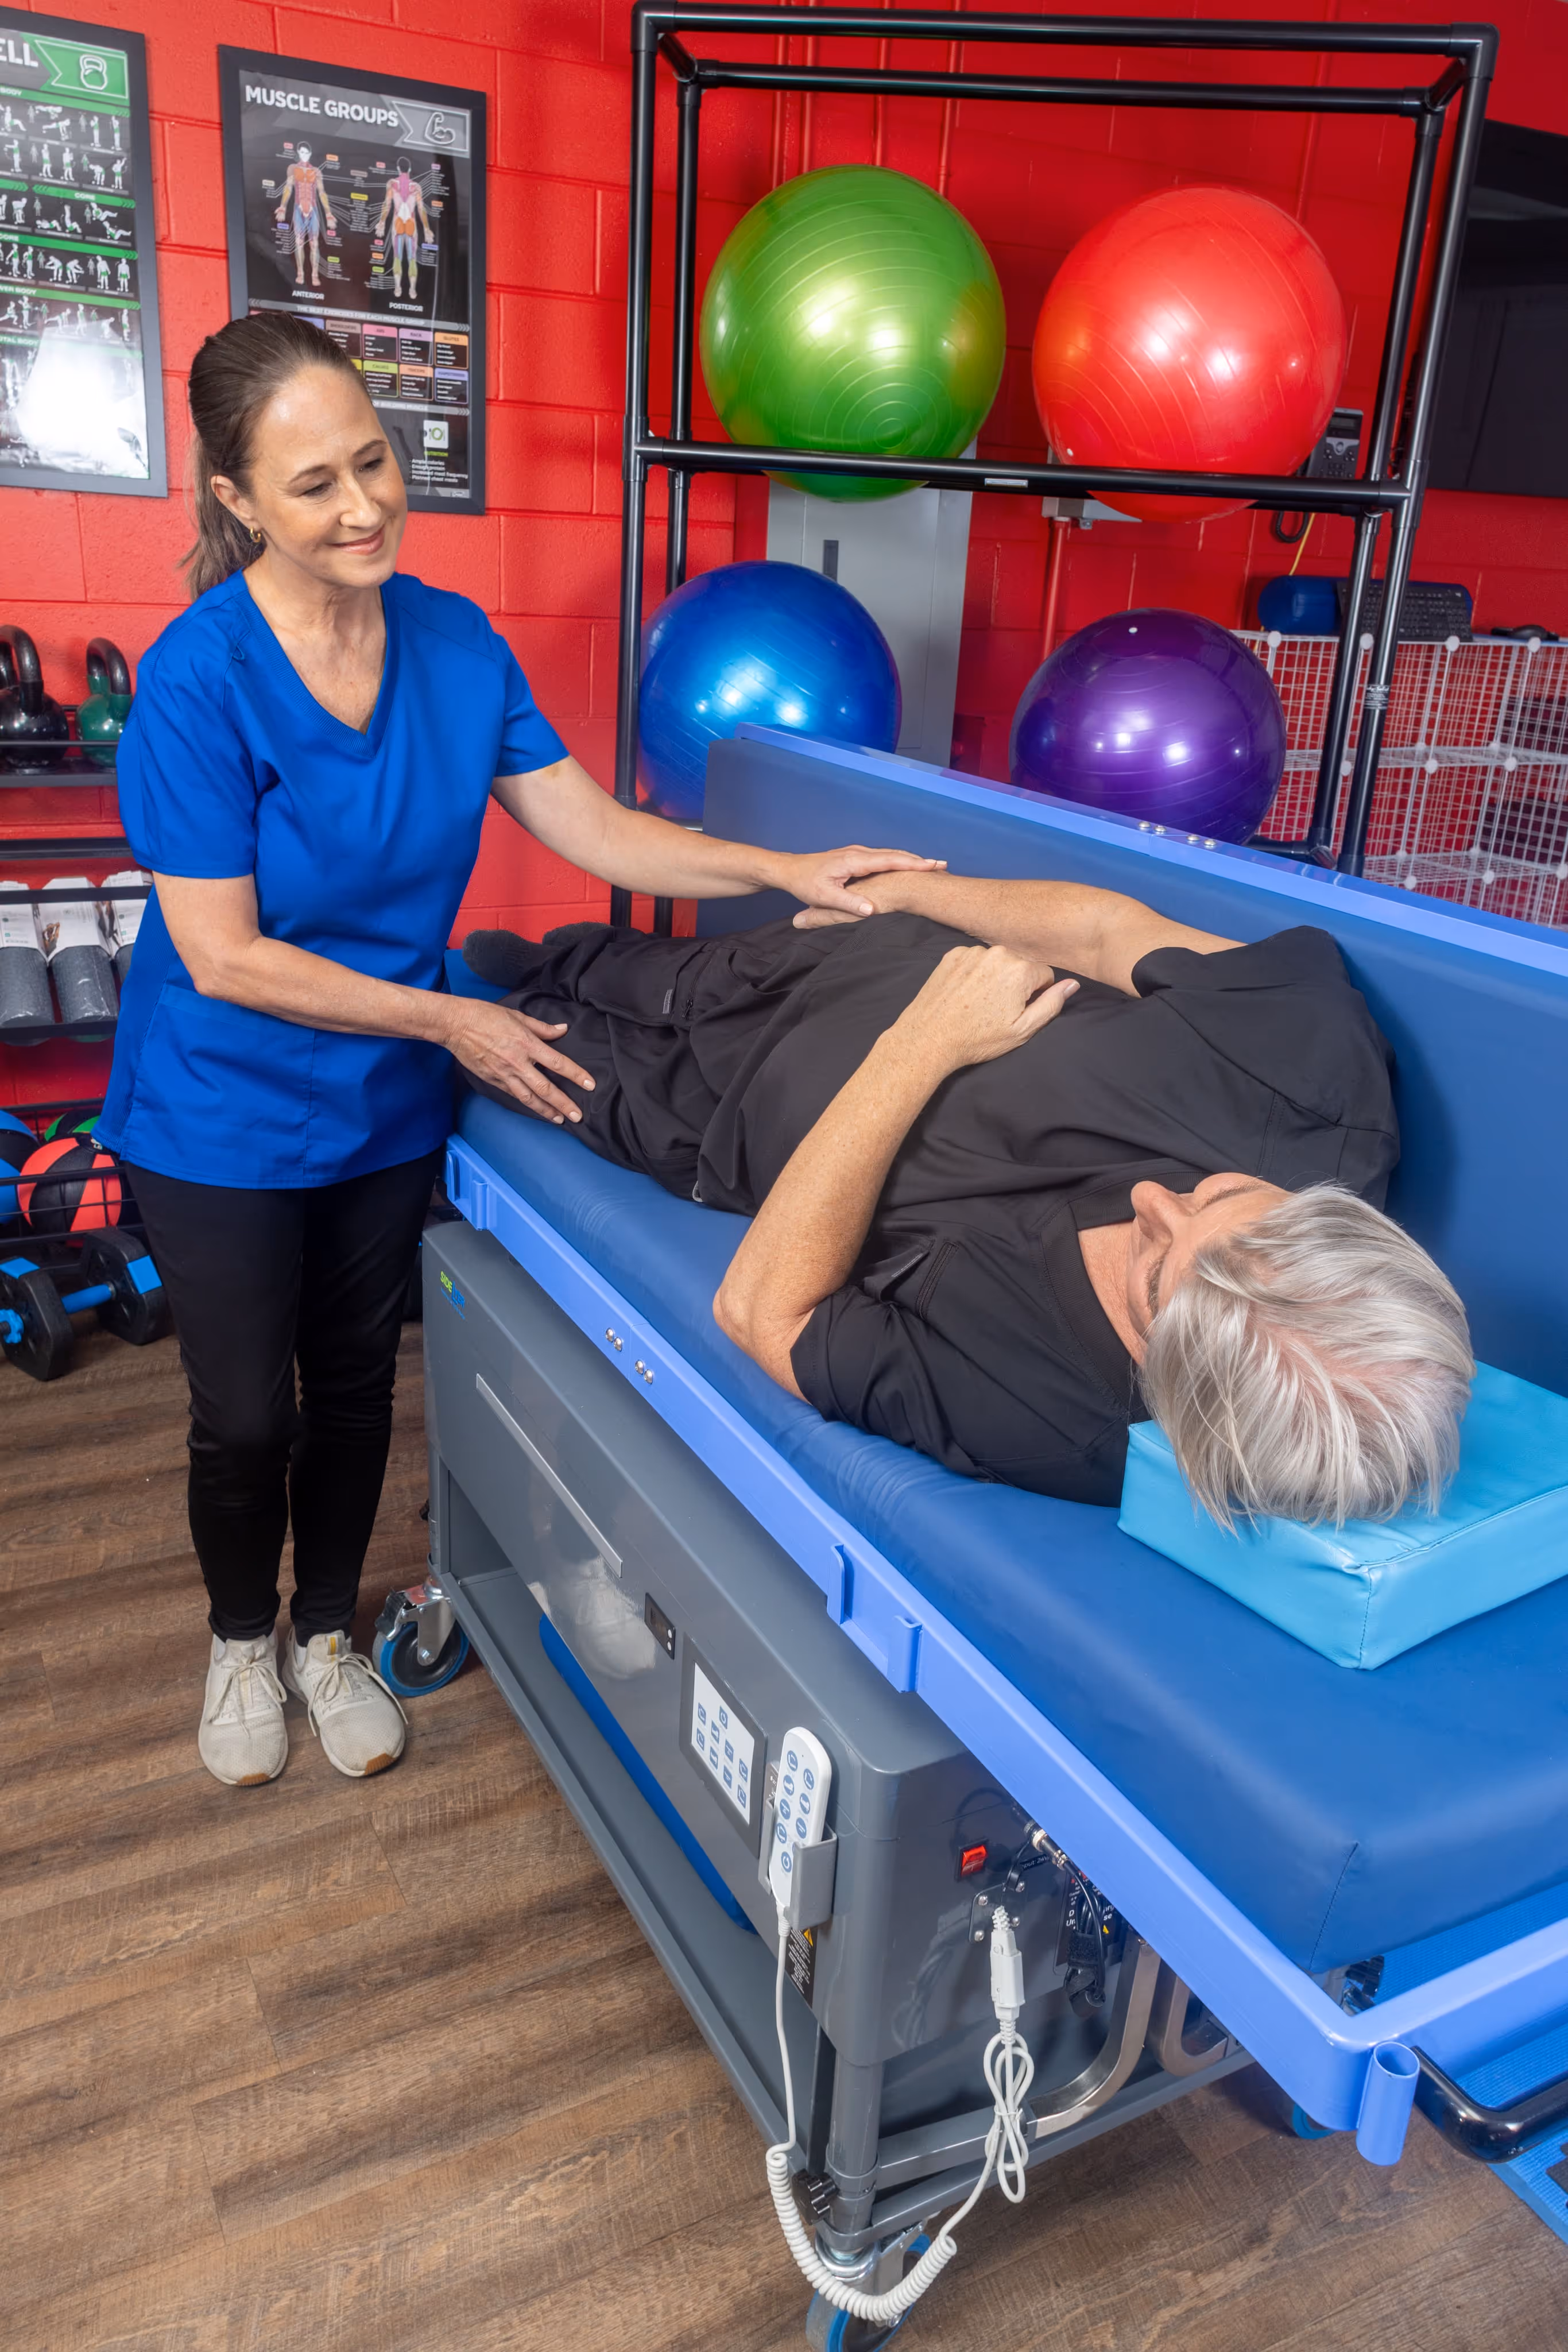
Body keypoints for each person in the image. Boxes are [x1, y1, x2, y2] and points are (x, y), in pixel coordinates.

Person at [94, 310, 939, 1792]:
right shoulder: (195, 680)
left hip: (377, 1097)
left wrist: (781, 871)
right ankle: (241, 1640)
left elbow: (591, 824)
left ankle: (325, 1638)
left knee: (356, 1383)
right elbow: (223, 955)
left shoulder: (455, 642)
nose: (361, 506)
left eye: (374, 460)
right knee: (242, 1410)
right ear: (235, 500)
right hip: (218, 1103)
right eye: (312, 485)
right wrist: (452, 1016)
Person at [462, 868, 1474, 1528]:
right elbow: (1101, 928)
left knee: (517, 1035)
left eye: (1153, 1274)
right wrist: (900, 892)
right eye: (1227, 1193)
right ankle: (547, 959)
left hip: (717, 1127)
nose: (1155, 1200)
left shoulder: (1055, 1422)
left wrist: (923, 1047)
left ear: (1175, 1406)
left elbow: (760, 1313)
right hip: (828, 966)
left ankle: (500, 988)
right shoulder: (1316, 1073)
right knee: (607, 963)